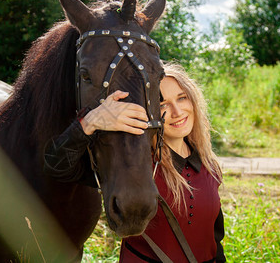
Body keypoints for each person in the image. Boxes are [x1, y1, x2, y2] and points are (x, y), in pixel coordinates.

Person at [43, 63, 225, 262]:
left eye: (182, 98)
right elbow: (57, 166)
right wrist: (90, 122)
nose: (177, 111)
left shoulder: (210, 166)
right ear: (148, 111)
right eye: (162, 104)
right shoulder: (131, 166)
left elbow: (215, 239)